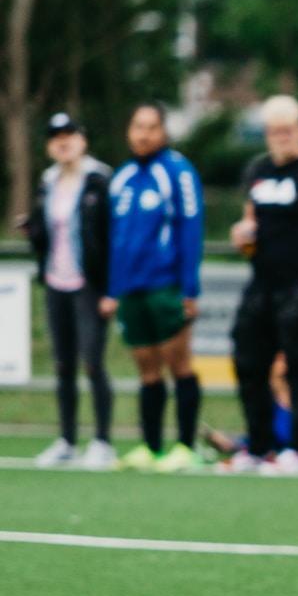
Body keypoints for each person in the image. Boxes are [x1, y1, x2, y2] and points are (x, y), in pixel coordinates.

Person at [223, 94, 298, 476]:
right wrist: (242, 237)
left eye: (288, 130)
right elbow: (250, 224)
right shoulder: (259, 171)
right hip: (263, 282)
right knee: (248, 361)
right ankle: (258, 447)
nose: (281, 137)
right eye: (275, 131)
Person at [102, 103, 205, 473]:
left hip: (167, 286)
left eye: (151, 127)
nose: (143, 134)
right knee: (147, 369)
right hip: (130, 290)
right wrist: (112, 290)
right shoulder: (123, 177)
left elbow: (191, 229)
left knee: (179, 365)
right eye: (137, 126)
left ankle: (186, 446)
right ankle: (150, 446)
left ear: (163, 131)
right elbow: (115, 238)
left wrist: (189, 288)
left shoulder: (177, 171)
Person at [18, 113, 116, 469]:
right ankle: (67, 439)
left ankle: (103, 440)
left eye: (69, 134)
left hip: (89, 283)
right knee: (63, 365)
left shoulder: (99, 179)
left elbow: (110, 237)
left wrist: (111, 289)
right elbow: (47, 232)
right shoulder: (48, 181)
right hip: (56, 280)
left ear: (82, 139)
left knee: (92, 362)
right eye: (55, 136)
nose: (63, 141)